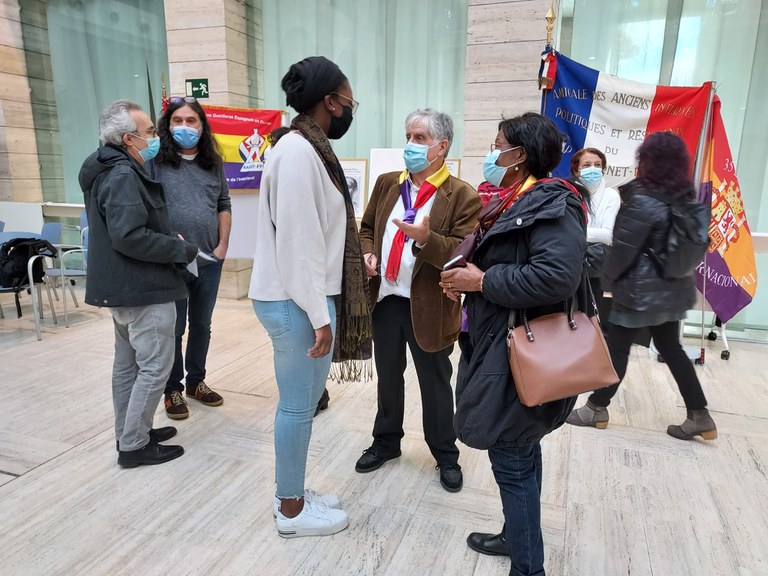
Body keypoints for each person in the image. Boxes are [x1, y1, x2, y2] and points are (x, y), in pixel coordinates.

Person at [440, 112, 589, 575]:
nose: (491, 152)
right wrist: (464, 279)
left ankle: (528, 567)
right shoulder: (512, 200)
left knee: (511, 455)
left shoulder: (554, 205)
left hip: (518, 351)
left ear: (519, 155)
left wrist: (483, 281)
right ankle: (516, 536)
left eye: (497, 144)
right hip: (497, 341)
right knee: (521, 448)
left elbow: (556, 276)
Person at [249, 56, 372, 538]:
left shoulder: (305, 148)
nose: (350, 110)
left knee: (299, 404)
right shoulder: (299, 152)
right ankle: (291, 509)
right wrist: (320, 316)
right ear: (330, 102)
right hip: (297, 301)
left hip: (299, 297)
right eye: (350, 101)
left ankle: (293, 490)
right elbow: (299, 243)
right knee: (297, 408)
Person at [356, 108, 482, 493]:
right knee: (388, 376)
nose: (410, 145)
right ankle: (386, 442)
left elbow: (462, 253)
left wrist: (427, 239)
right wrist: (367, 253)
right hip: (386, 300)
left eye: (420, 139)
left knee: (435, 383)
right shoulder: (387, 184)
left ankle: (445, 453)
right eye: (408, 137)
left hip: (430, 304)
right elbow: (366, 228)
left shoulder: (462, 195)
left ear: (441, 147)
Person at [566, 132, 717, 441]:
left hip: (639, 293)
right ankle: (699, 414)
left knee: (617, 347)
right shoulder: (683, 198)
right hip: (673, 291)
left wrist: (608, 281)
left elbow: (622, 251)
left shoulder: (643, 201)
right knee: (671, 349)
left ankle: (596, 408)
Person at [78, 99, 198, 468]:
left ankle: (131, 431)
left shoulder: (107, 169)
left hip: (125, 288)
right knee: (155, 367)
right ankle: (133, 445)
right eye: (148, 132)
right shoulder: (123, 175)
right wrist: (181, 249)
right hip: (144, 288)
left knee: (128, 367)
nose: (155, 137)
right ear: (129, 139)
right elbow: (129, 236)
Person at [149, 97, 232, 420]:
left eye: (191, 121)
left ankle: (196, 382)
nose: (184, 126)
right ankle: (172, 389)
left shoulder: (213, 163)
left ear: (202, 125)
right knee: (174, 327)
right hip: (171, 261)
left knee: (202, 324)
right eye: (177, 121)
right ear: (168, 126)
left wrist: (223, 246)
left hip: (209, 260)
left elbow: (223, 204)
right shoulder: (156, 162)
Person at [570, 148, 620, 323]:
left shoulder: (611, 195)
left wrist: (573, 232)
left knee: (589, 317)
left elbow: (608, 235)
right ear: (576, 170)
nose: (593, 169)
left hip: (594, 266)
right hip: (568, 263)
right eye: (587, 165)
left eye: (597, 165)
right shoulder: (569, 192)